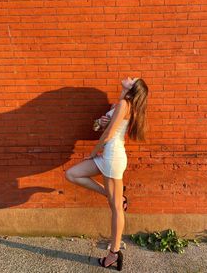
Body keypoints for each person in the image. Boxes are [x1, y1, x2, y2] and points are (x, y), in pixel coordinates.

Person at [65, 76, 148, 270]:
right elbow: (99, 127)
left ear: (132, 87)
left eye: (133, 79)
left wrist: (92, 153)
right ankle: (119, 197)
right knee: (72, 174)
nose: (129, 77)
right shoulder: (118, 104)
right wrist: (100, 122)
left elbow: (110, 134)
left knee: (116, 209)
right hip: (109, 157)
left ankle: (114, 253)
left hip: (112, 158)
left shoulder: (124, 104)